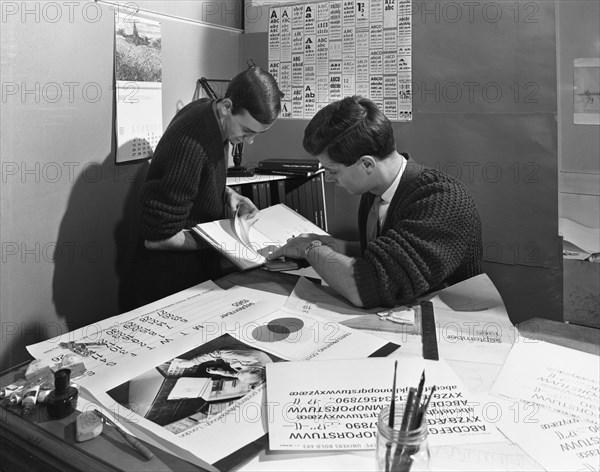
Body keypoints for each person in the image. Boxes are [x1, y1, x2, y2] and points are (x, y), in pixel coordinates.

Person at [269, 96, 483, 309]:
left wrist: (310, 248)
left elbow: (367, 287)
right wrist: (332, 245)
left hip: (445, 327)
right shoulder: (374, 192)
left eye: (333, 170)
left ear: (367, 164)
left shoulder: (441, 201)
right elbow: (382, 254)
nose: (329, 179)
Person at [129, 67, 283, 308]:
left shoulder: (210, 111)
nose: (250, 141)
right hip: (167, 288)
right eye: (246, 131)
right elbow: (157, 238)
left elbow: (194, 180)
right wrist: (222, 241)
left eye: (257, 134)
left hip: (197, 278)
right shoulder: (191, 144)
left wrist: (229, 194)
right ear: (227, 106)